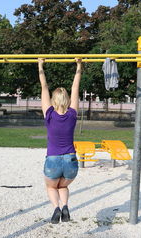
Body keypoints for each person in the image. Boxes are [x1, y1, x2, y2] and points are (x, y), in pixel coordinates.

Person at [38, 58, 82, 224]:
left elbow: (44, 87)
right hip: (71, 160)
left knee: (51, 187)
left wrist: (40, 65)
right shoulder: (72, 114)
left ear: (53, 101)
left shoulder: (49, 114)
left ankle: (56, 208)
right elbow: (75, 88)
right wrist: (79, 66)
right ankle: (65, 206)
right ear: (67, 100)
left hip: (53, 159)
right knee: (63, 186)